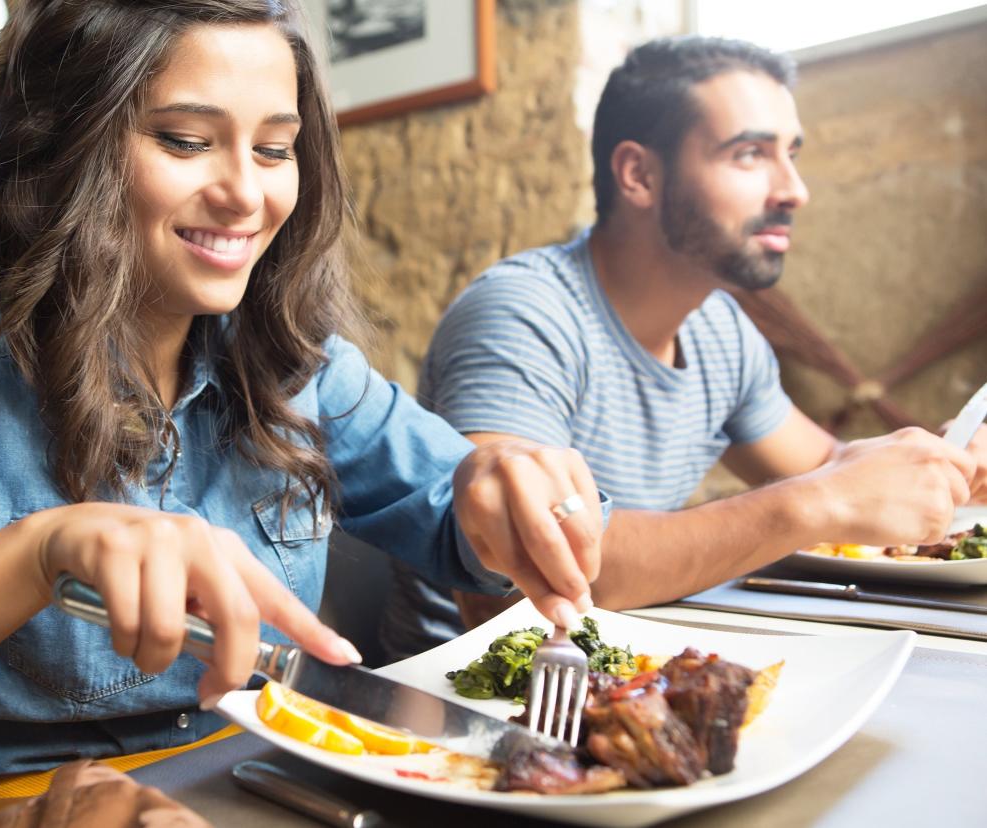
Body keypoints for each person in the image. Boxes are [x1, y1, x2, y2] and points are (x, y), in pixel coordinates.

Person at [0, 0, 609, 817]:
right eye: (187, 140)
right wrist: (39, 554)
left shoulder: (282, 353)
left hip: (293, 793)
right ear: (66, 145)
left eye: (275, 150)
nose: (246, 193)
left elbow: (459, 519)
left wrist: (497, 487)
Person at [380, 35, 983, 662]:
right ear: (639, 174)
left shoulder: (720, 329)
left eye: (791, 155)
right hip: (457, 701)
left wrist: (946, 466)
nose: (794, 190)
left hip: (632, 669)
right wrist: (824, 500)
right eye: (750, 155)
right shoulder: (523, 315)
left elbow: (833, 469)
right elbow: (525, 570)